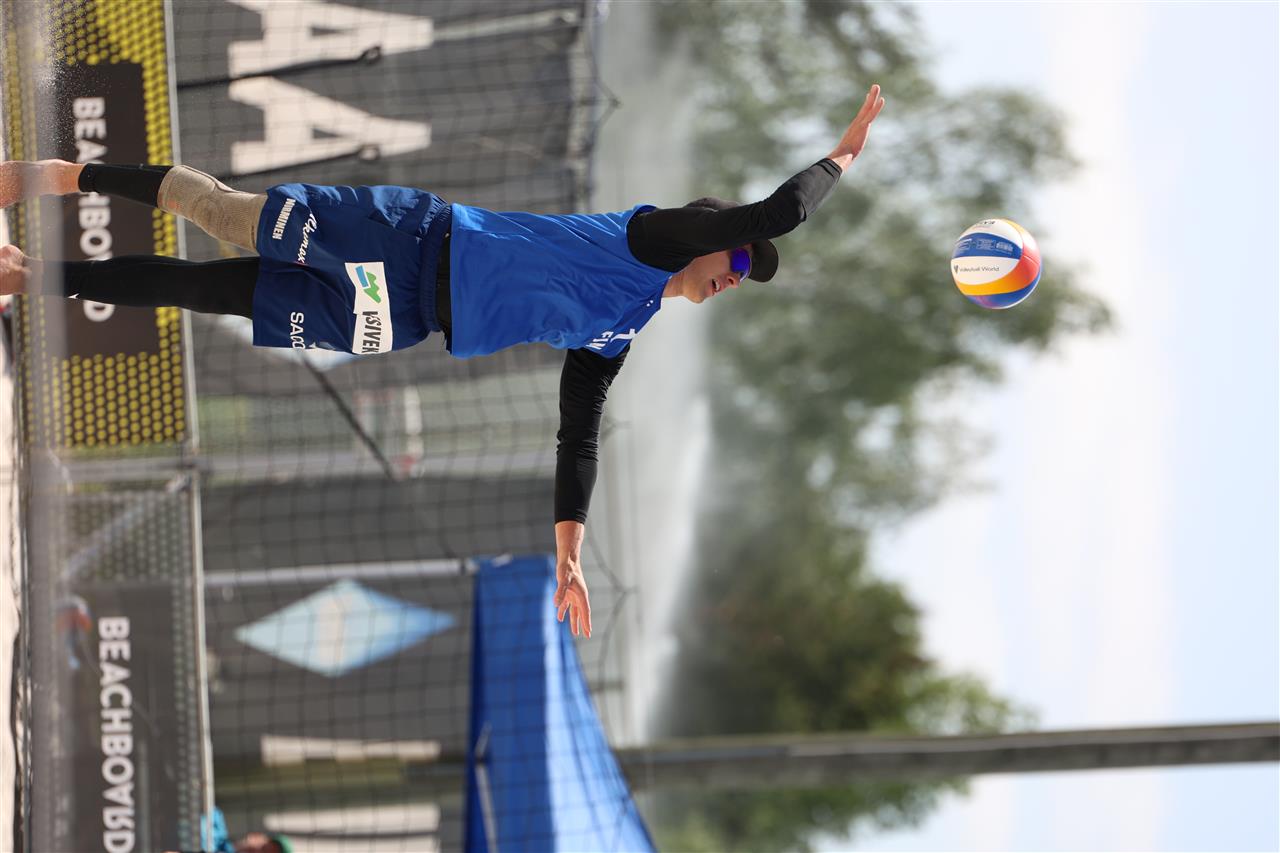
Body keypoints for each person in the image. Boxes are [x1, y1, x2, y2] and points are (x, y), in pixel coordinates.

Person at [0, 85, 886, 639]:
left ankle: (27, 274)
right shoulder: (653, 239)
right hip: (407, 239)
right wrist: (841, 156)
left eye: (745, 276)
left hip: (402, 317)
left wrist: (569, 553)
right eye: (738, 261)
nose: (736, 275)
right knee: (225, 214)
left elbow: (578, 438)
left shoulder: (620, 326)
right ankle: (65, 175)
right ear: (710, 234)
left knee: (210, 292)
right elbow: (774, 214)